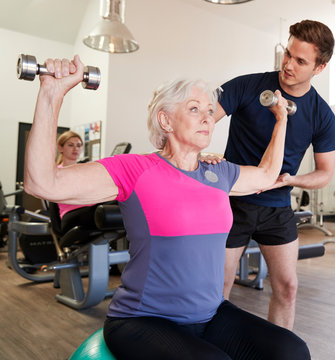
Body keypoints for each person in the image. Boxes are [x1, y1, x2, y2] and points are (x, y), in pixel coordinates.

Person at [24, 56, 310, 360]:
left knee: (290, 350)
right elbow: (42, 183)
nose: (207, 118)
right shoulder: (135, 170)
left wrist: (282, 120)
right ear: (166, 120)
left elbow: (267, 175)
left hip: (211, 314)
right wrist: (51, 94)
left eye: (210, 112)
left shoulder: (220, 173)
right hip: (143, 320)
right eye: (194, 109)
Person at [213, 20, 335, 330]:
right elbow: (203, 121)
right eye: (288, 54)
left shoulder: (321, 114)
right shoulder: (246, 86)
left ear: (319, 67)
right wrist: (199, 155)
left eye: (300, 61)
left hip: (278, 208)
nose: (288, 65)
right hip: (234, 204)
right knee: (219, 289)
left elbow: (325, 173)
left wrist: (291, 180)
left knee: (288, 288)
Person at [55, 130, 98, 232]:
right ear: (60, 148)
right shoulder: (57, 172)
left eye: (79, 146)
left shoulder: (84, 170)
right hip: (71, 213)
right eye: (71, 145)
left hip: (88, 209)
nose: (75, 148)